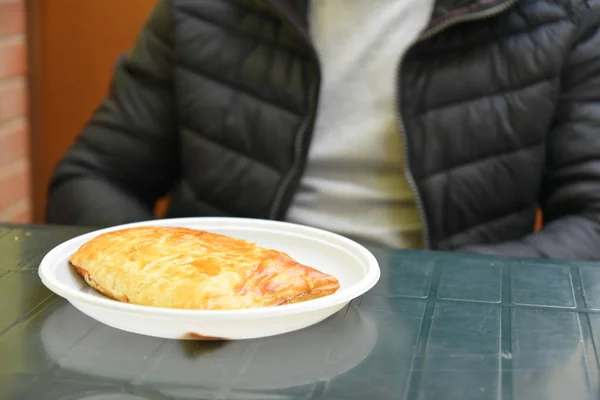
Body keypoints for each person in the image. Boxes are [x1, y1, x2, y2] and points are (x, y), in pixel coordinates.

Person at [46, 0, 600, 260]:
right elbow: (92, 177)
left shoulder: (563, 13)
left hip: (458, 341)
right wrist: (173, 276)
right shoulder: (201, 9)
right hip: (221, 331)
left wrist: (448, 291)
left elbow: (591, 219)